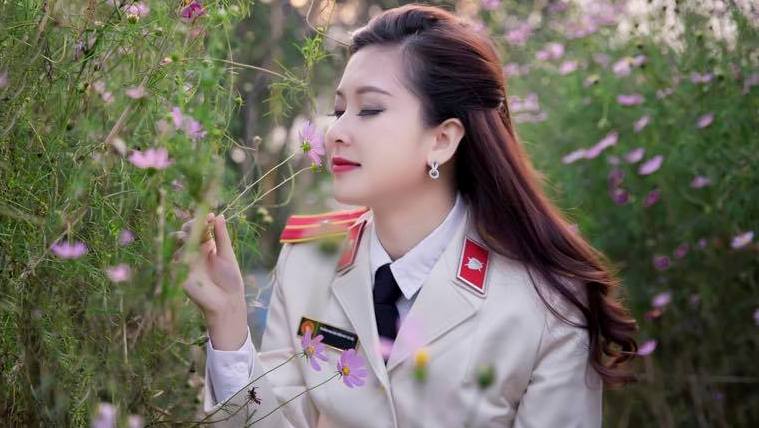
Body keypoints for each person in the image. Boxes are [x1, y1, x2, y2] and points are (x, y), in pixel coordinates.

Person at [176, 4, 639, 427]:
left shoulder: (545, 300)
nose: (335, 132)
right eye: (339, 110)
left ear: (442, 139)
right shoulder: (309, 261)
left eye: (370, 109)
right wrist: (228, 319)